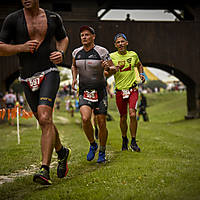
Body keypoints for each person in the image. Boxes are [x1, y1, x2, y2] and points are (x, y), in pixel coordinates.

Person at [0, 0, 71, 185]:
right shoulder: (12, 19)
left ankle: (44, 169)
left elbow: (63, 38)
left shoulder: (53, 18)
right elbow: (1, 47)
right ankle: (62, 152)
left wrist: (61, 52)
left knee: (45, 116)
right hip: (26, 77)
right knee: (42, 119)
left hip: (49, 72)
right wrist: (20, 47)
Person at [71, 25, 116, 163]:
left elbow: (113, 69)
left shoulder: (102, 51)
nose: (84, 37)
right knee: (85, 119)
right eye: (82, 35)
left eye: (87, 35)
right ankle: (93, 144)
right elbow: (73, 65)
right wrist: (74, 78)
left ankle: (102, 151)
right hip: (84, 91)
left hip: (100, 91)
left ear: (93, 36)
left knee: (101, 123)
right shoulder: (76, 52)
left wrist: (107, 67)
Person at [110, 33, 145, 152]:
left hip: (132, 89)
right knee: (123, 117)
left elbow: (139, 65)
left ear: (126, 43)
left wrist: (141, 74)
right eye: (118, 42)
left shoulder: (133, 54)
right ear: (115, 45)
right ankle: (124, 138)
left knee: (133, 114)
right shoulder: (112, 57)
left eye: (122, 41)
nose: (120, 44)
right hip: (120, 91)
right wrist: (110, 69)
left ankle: (133, 141)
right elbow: (106, 72)